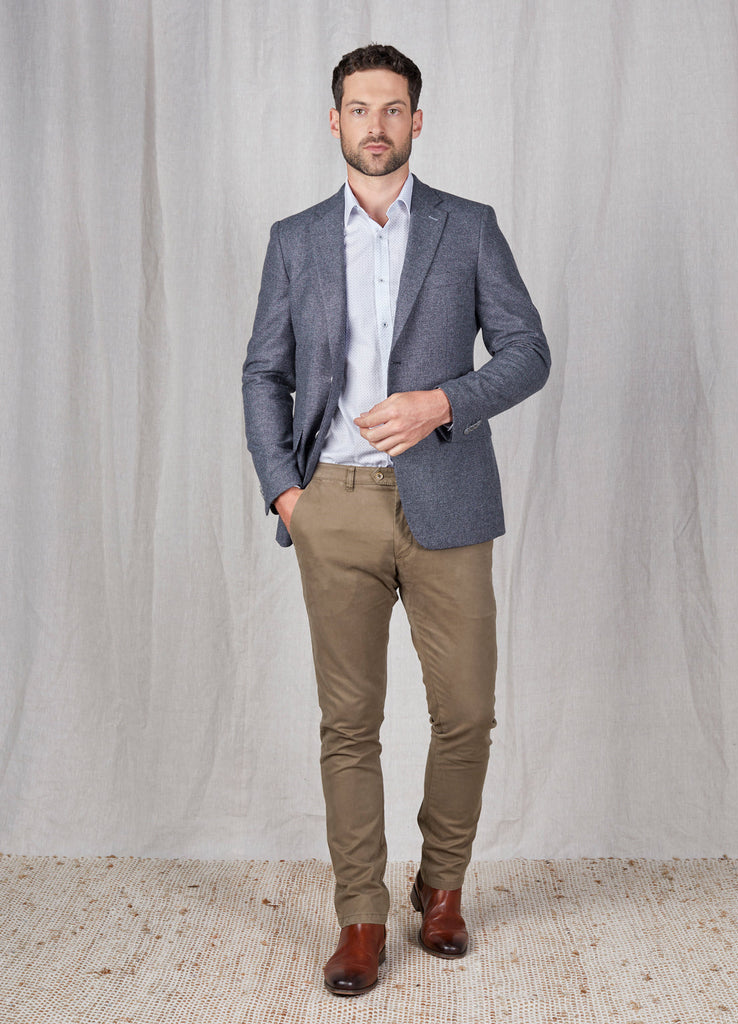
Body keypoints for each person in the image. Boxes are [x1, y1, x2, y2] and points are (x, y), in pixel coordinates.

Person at [242, 43, 550, 996]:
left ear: (417, 120)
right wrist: (288, 494)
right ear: (333, 121)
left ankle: (441, 887)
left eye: (392, 109)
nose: (374, 126)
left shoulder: (468, 226)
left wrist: (442, 402)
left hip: (448, 500)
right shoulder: (296, 239)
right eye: (358, 109)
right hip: (332, 504)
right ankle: (361, 917)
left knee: (466, 712)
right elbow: (264, 371)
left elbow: (528, 350)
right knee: (350, 722)